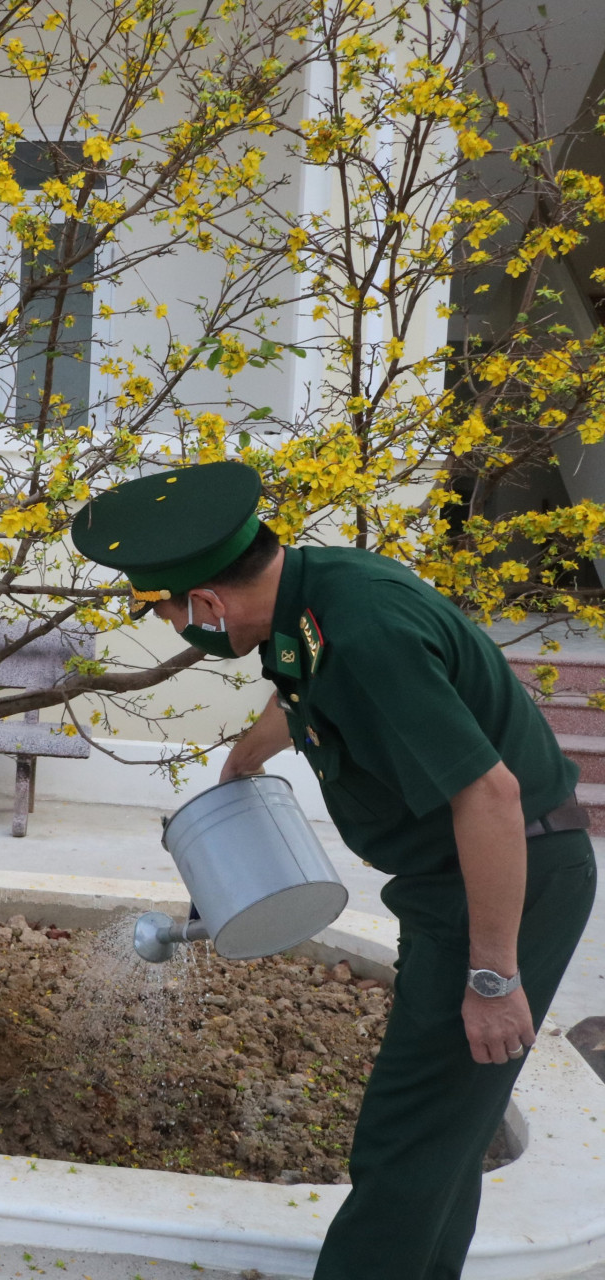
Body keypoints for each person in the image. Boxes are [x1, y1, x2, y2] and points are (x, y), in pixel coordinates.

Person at [71, 459, 596, 1279]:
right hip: (455, 881)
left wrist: (494, 978)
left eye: (169, 610)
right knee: (443, 1133)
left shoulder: (365, 637)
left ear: (207, 603)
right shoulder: (310, 594)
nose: (179, 628)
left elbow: (490, 797)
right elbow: (297, 686)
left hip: (502, 878)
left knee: (405, 1139)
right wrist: (243, 763)